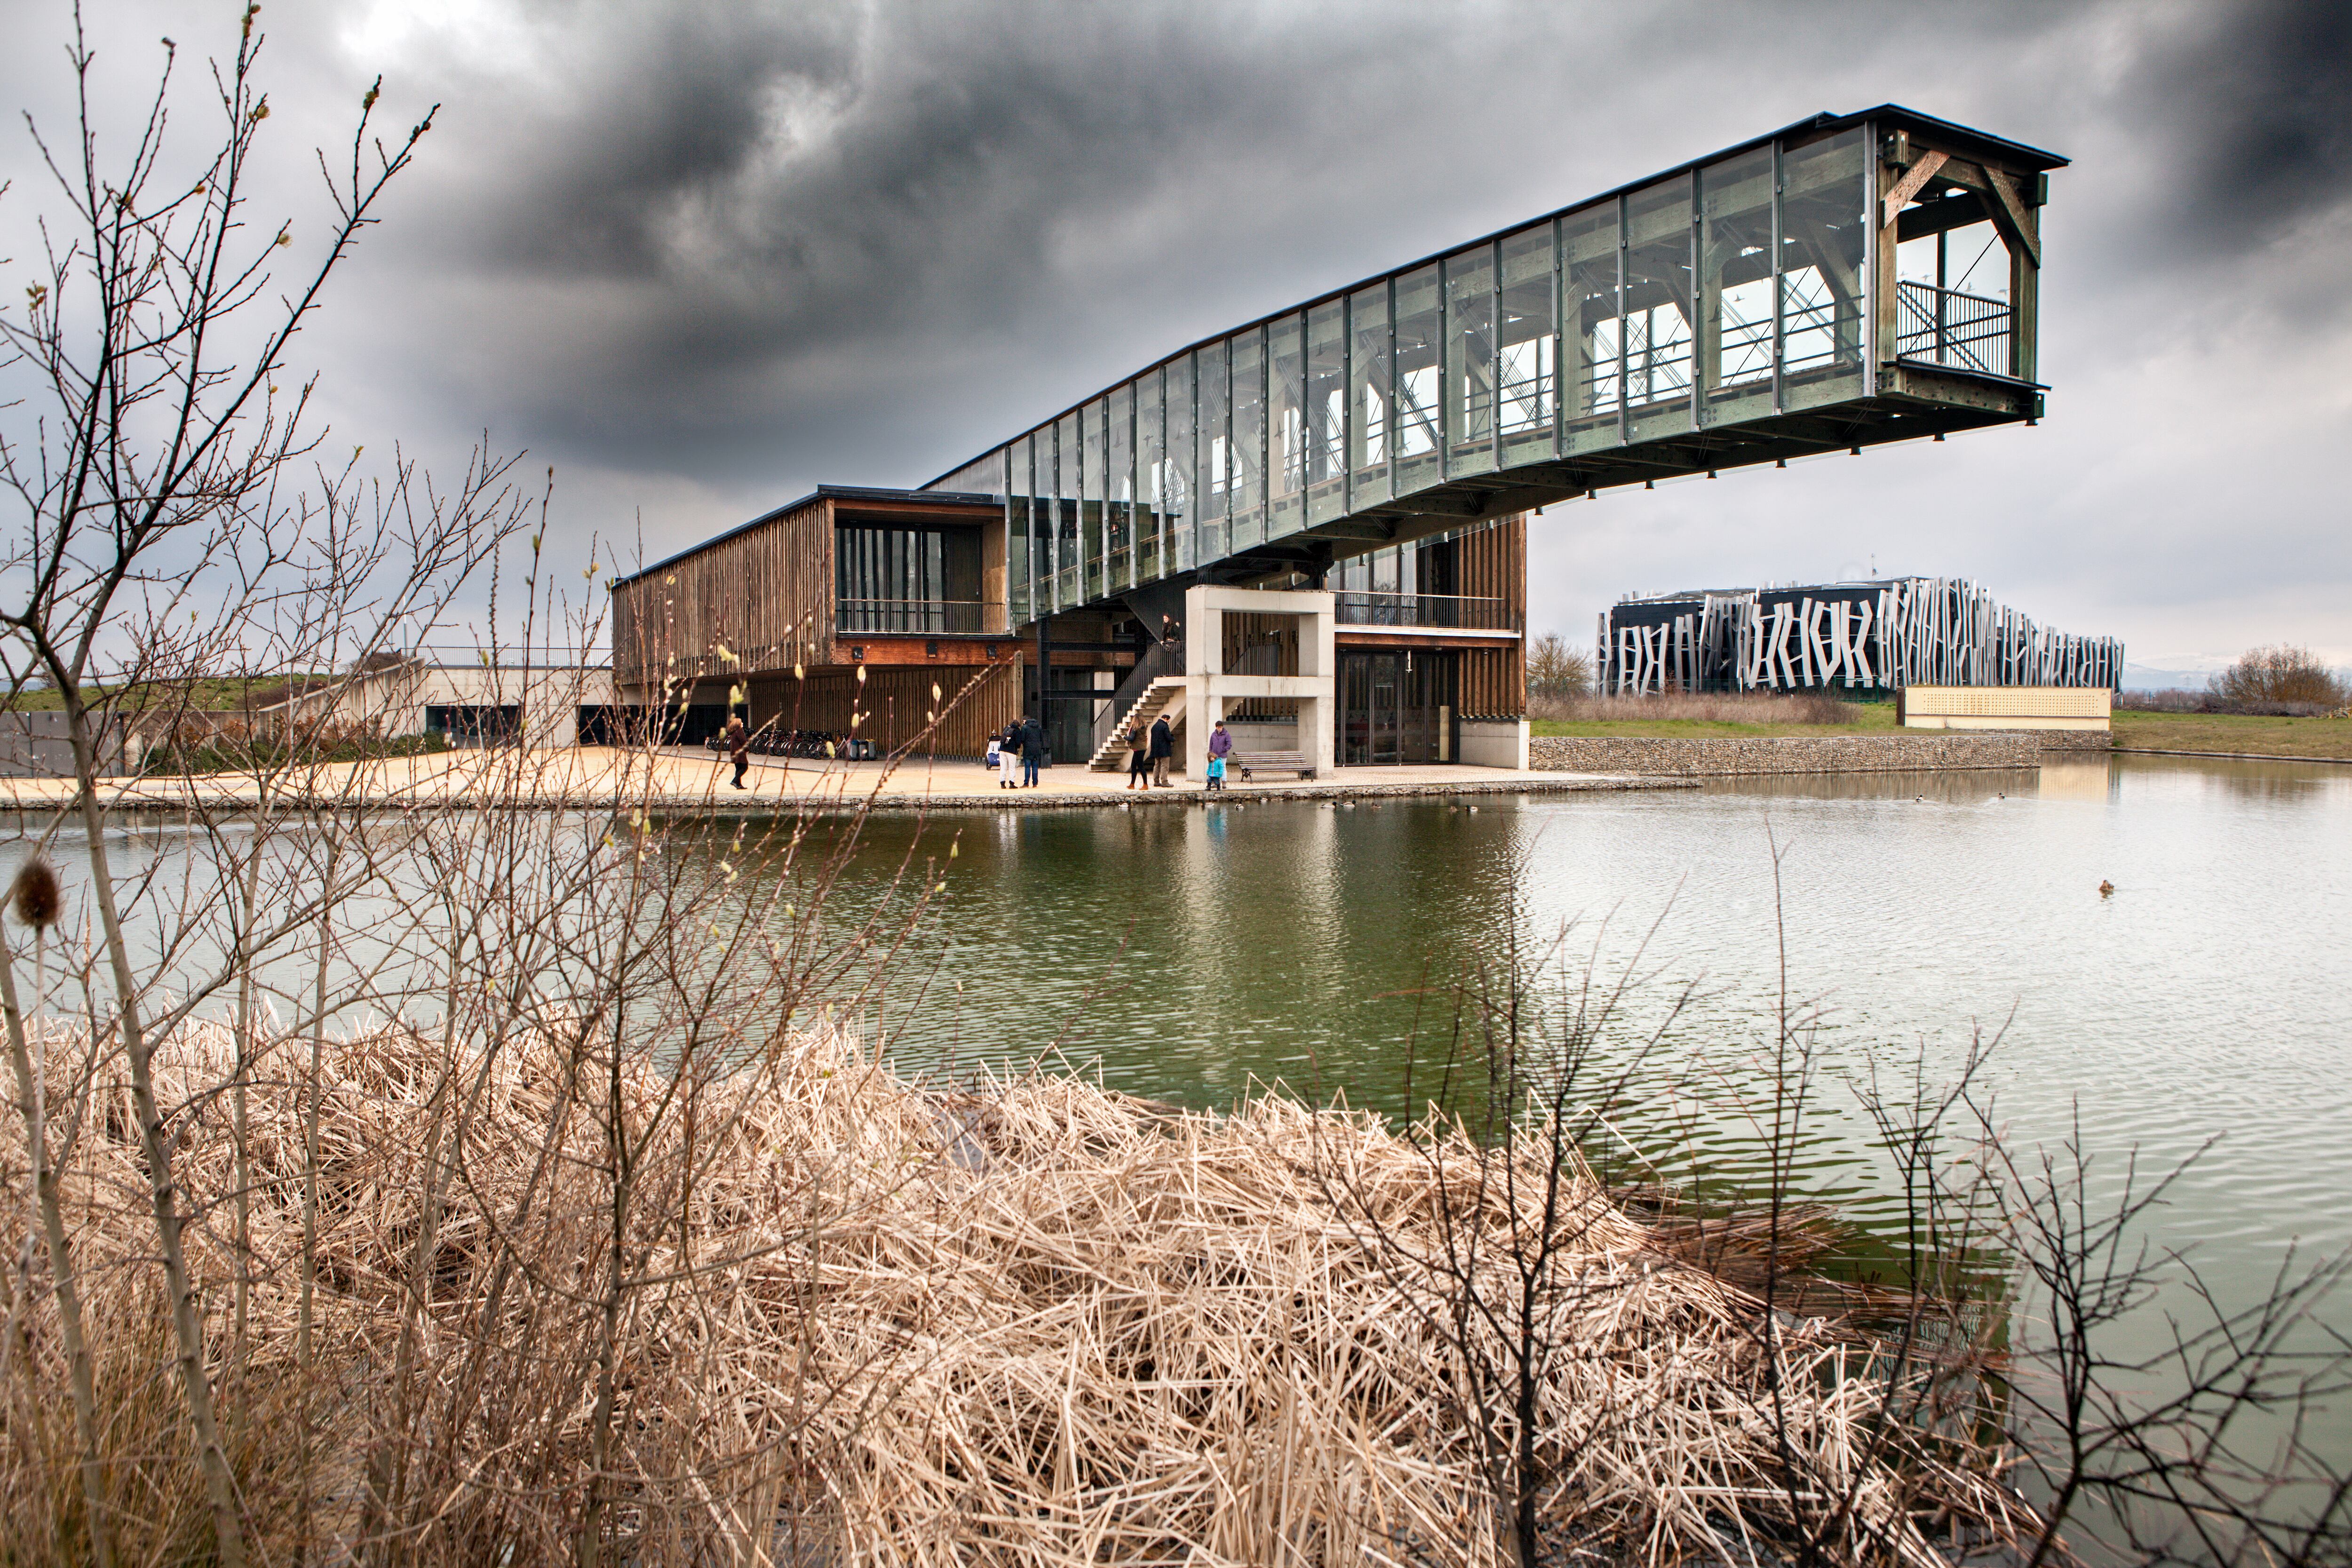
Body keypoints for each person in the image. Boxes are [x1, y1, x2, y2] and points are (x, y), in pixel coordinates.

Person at [724, 713, 750, 790]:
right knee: (745, 767)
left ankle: (739, 785)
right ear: (738, 724)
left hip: (734, 752)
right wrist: (747, 749)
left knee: (738, 768)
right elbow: (743, 741)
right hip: (740, 752)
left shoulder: (733, 732)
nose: (742, 723)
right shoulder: (739, 731)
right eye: (741, 722)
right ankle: (735, 781)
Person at [1149, 712, 1174, 788]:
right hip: (1164, 750)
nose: (1168, 723)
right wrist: (1173, 738)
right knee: (1164, 766)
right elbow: (1168, 737)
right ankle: (1165, 782)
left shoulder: (1154, 726)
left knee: (1157, 765)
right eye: (1168, 721)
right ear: (1166, 719)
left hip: (1156, 750)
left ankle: (1156, 781)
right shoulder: (1164, 726)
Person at [994, 719, 1020, 789]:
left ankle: (1002, 783)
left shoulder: (1006, 728)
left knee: (1003, 768)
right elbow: (1018, 743)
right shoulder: (1017, 731)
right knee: (1012, 768)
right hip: (1011, 751)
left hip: (1002, 750)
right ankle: (1012, 783)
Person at [1125, 723, 1151, 790]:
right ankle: (1132, 784)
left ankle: (1145, 785)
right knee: (1133, 766)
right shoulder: (1144, 727)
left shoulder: (1135, 727)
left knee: (1141, 767)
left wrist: (1125, 737)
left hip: (1137, 749)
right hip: (1142, 748)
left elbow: (1131, 738)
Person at [1019, 714, 1042, 787]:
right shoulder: (1039, 727)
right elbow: (1041, 738)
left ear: (1025, 721)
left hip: (1028, 749)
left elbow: (1022, 739)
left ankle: (1026, 783)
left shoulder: (1025, 728)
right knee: (1035, 767)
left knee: (1028, 767)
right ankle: (1035, 783)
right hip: (1037, 749)